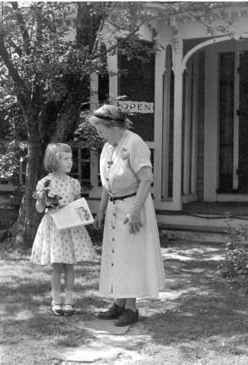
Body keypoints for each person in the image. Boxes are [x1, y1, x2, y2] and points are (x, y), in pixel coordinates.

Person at [89, 104, 165, 326]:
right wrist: (101, 211)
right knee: (115, 256)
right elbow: (107, 183)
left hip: (133, 207)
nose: (99, 133)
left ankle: (131, 308)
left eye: (101, 129)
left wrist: (134, 212)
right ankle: (118, 304)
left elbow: (146, 179)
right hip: (114, 208)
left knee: (130, 256)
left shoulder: (134, 143)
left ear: (113, 125)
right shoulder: (108, 147)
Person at [30, 143, 97, 316]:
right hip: (54, 227)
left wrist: (83, 214)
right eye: (65, 159)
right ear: (54, 161)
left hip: (70, 227)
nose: (70, 162)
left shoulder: (73, 183)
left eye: (71, 158)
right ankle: (55, 300)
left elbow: (79, 205)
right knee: (56, 266)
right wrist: (41, 200)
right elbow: (39, 209)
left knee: (69, 266)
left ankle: (69, 301)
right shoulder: (45, 183)